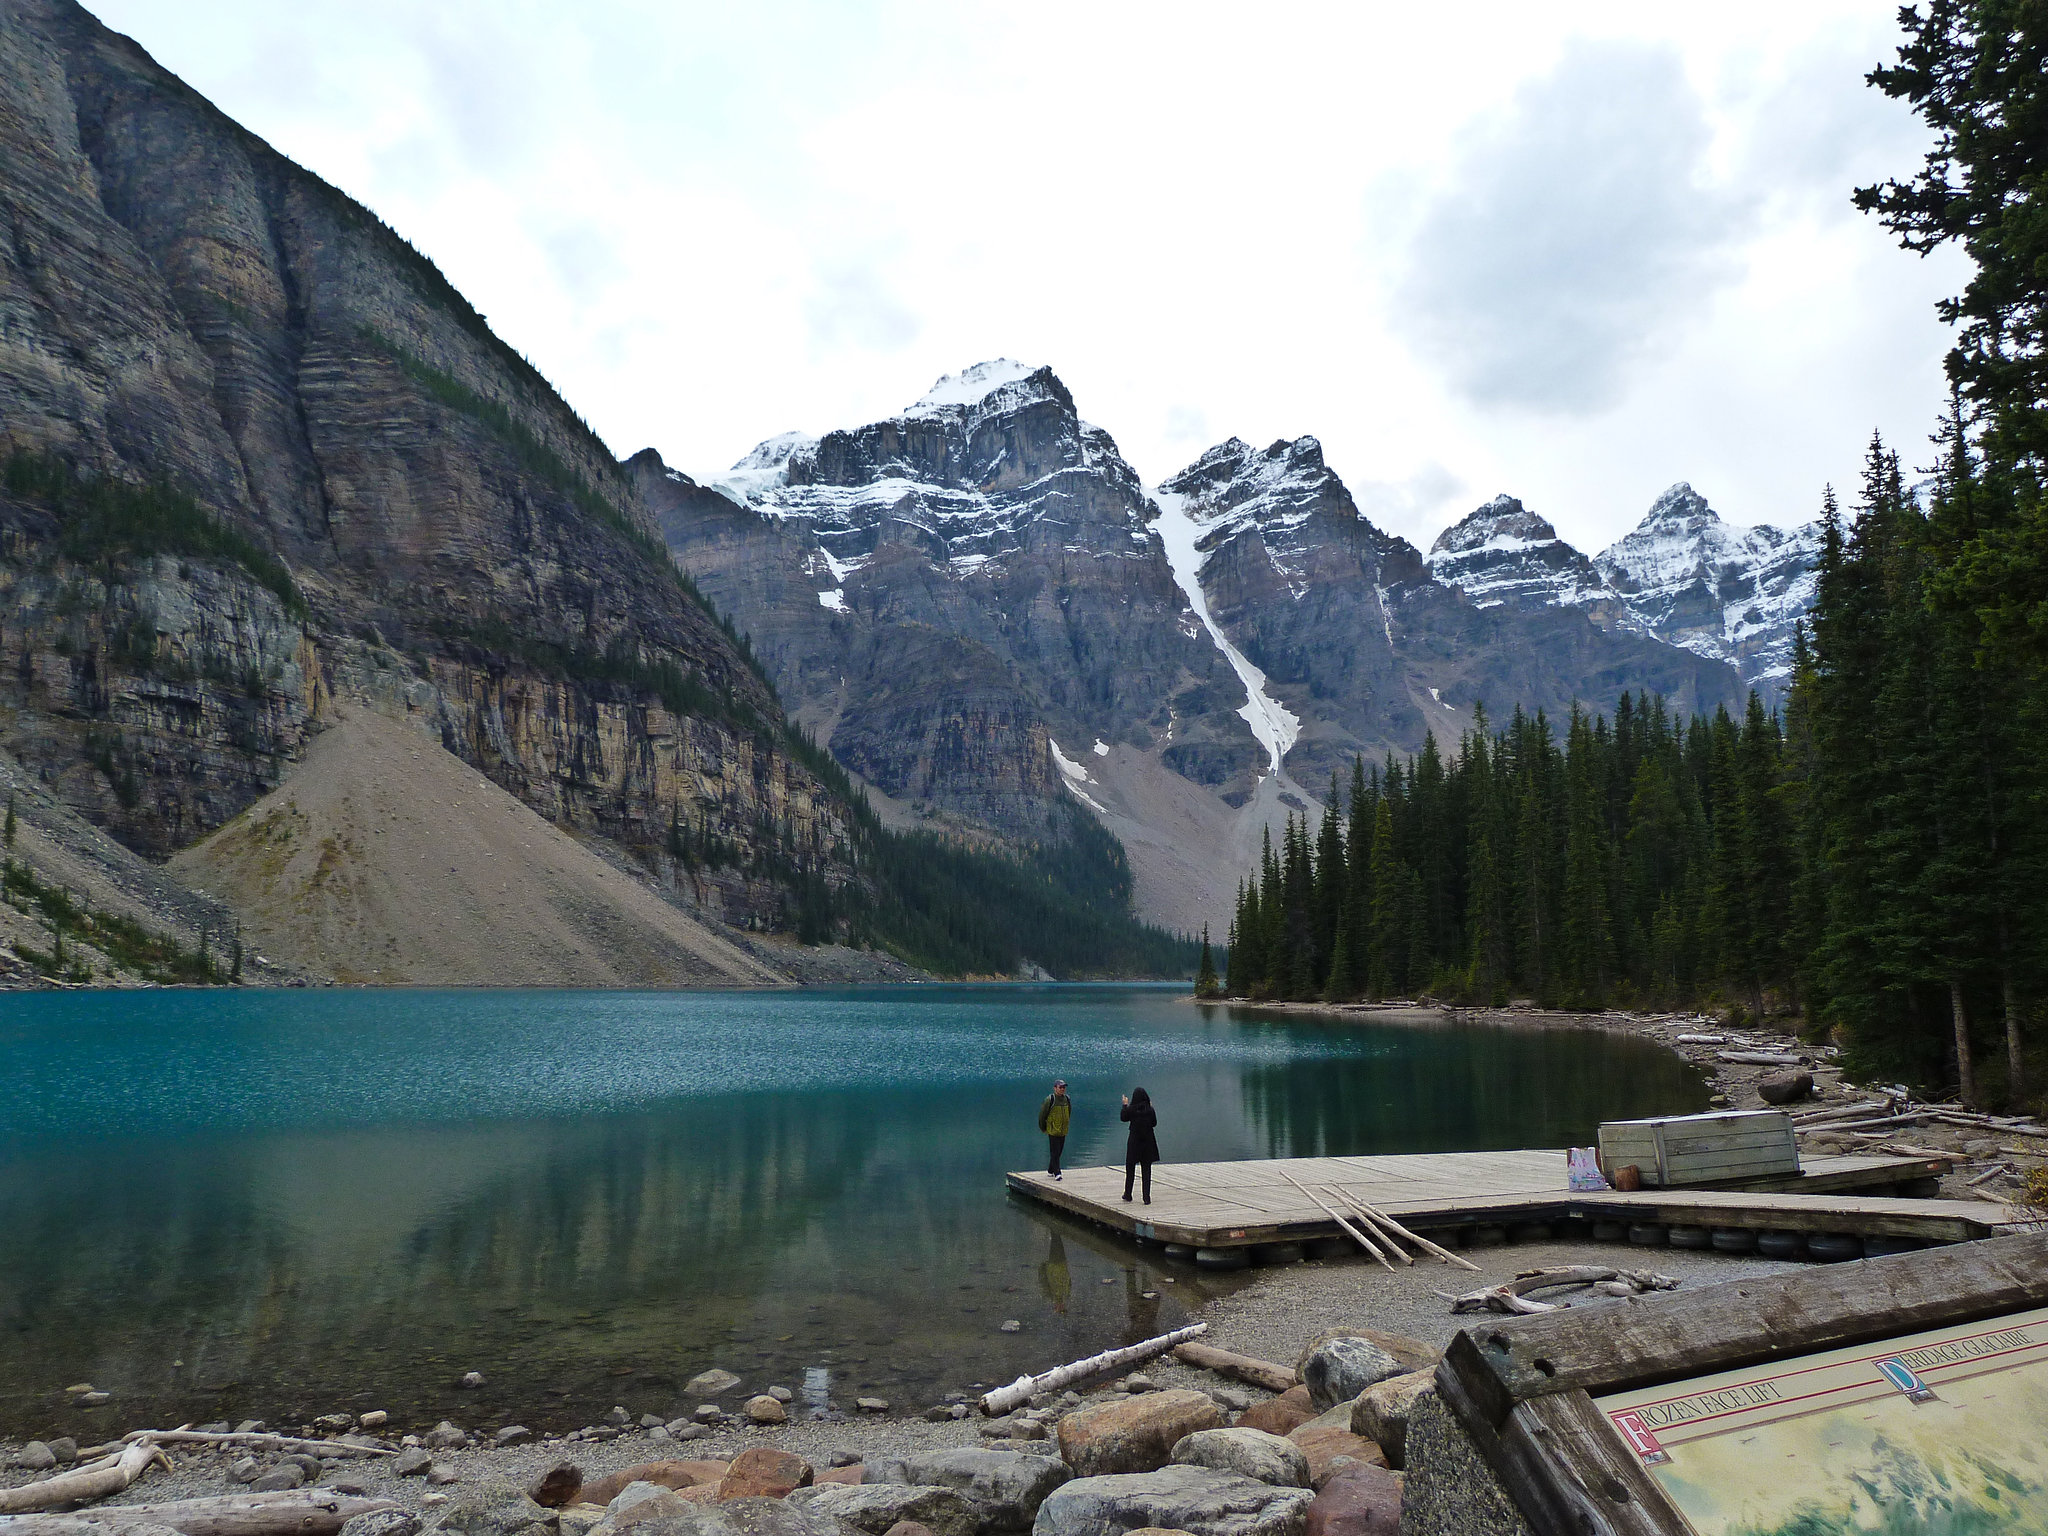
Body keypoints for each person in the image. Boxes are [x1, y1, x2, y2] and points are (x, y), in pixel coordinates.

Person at [1121, 1087, 1158, 1203]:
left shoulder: (1131, 1109)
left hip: (1134, 1143)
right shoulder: (1150, 1110)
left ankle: (1128, 1194)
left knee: (1130, 1169)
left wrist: (1125, 1105)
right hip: (1148, 1142)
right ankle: (1146, 1197)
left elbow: (1123, 1118)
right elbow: (1154, 1123)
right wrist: (1151, 1107)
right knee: (1146, 1170)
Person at [1037, 1078, 1072, 1179]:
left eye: (1064, 1087)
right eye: (1060, 1087)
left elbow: (1069, 1112)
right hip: (1053, 1130)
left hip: (1063, 1130)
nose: (1062, 1089)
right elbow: (1042, 1115)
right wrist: (1043, 1128)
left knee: (1059, 1151)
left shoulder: (1067, 1099)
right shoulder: (1050, 1100)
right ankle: (1057, 1173)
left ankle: (1050, 1169)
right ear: (1055, 1088)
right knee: (1055, 1152)